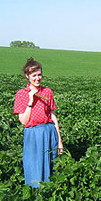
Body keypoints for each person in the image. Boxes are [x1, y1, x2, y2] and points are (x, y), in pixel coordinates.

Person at [13, 57, 63, 188]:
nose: (37, 78)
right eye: (34, 75)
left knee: (51, 167)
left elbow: (53, 116)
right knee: (33, 166)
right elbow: (23, 121)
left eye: (39, 75)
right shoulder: (21, 94)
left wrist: (59, 140)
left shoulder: (47, 92)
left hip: (49, 131)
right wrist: (30, 101)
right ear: (27, 76)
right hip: (33, 134)